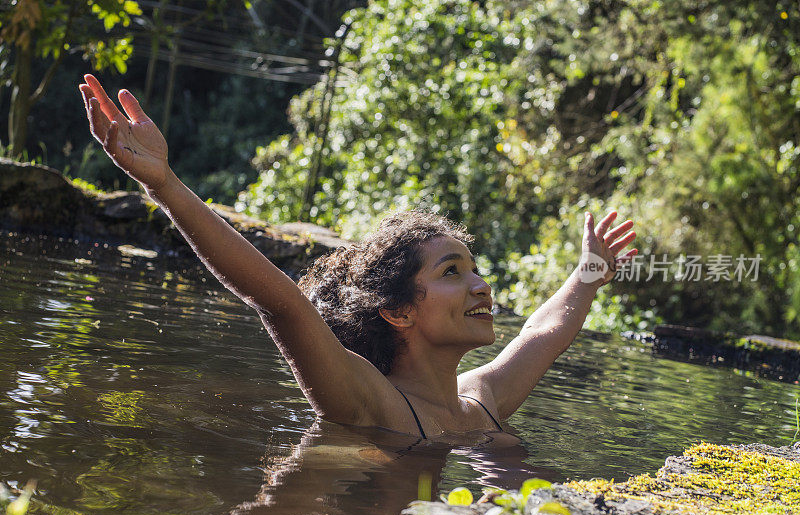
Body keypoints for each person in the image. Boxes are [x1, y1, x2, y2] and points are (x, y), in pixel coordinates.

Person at [78, 74, 637, 441]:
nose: (481, 285)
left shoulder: (482, 402)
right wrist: (165, 185)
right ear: (399, 312)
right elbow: (283, 303)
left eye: (474, 267)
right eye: (452, 271)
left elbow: (543, 332)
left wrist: (590, 268)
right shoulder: (369, 399)